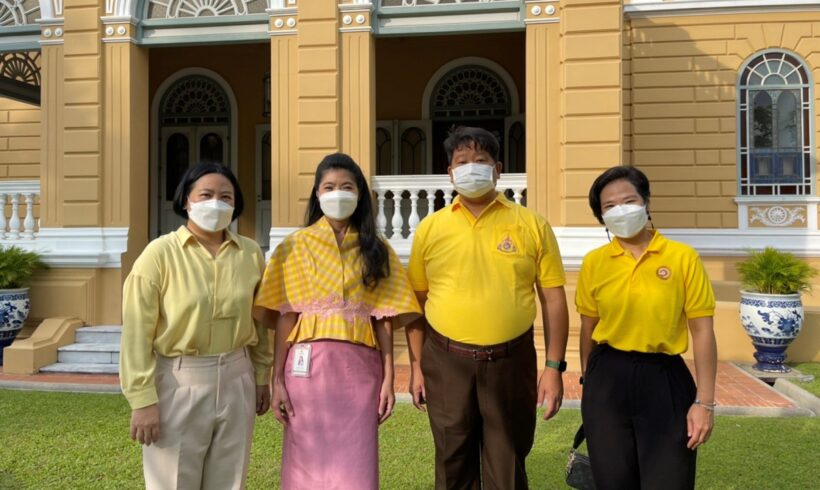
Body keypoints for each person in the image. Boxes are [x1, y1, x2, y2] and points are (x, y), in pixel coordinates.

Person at [405, 126, 569, 489]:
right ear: (449, 172)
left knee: (507, 460)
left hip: (510, 361)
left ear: (498, 168)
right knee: (452, 462)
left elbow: (553, 299)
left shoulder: (531, 224)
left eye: (480, 161)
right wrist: (417, 366)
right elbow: (416, 302)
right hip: (445, 362)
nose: (471, 168)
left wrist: (554, 367)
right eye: (462, 162)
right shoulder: (430, 229)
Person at [254, 152, 421, 490]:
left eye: (347, 186)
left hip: (360, 372)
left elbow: (384, 320)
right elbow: (287, 316)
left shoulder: (378, 249)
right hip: (305, 372)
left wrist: (388, 378)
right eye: (329, 186)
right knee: (304, 465)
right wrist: (277, 381)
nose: (337, 193)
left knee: (357, 469)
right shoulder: (293, 247)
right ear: (317, 194)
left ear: (360, 194)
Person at [120, 162, 273, 490]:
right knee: (173, 482)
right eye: (206, 194)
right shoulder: (158, 255)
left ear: (235, 204)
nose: (216, 202)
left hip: (237, 378)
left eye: (226, 196)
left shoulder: (250, 255)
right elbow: (136, 333)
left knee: (230, 481)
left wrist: (262, 377)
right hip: (178, 381)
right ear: (186, 200)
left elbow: (258, 325)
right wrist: (142, 399)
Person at [576, 165, 718, 490]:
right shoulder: (595, 263)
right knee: (612, 480)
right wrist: (590, 381)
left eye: (629, 200)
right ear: (601, 216)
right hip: (607, 377)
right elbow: (588, 329)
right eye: (609, 206)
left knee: (669, 479)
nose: (621, 210)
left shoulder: (683, 258)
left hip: (665, 379)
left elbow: (702, 332)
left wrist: (704, 403)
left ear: (646, 202)